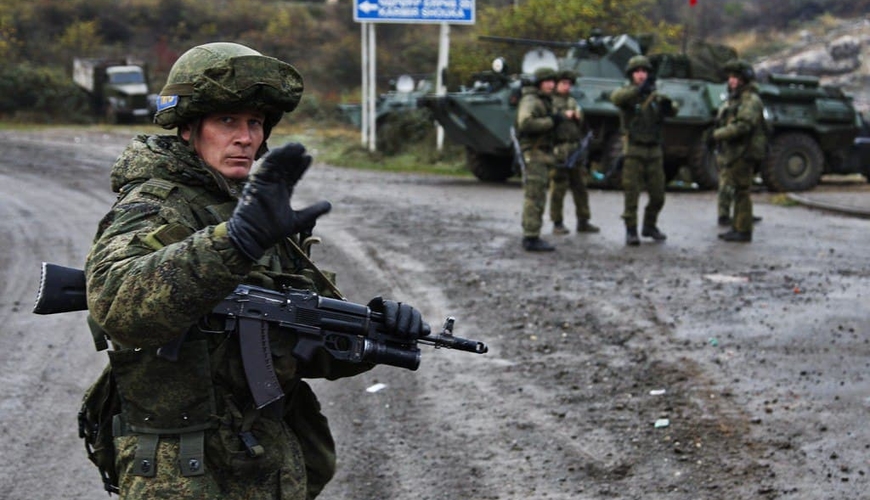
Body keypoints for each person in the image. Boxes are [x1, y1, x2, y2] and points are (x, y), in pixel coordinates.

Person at [82, 42, 427, 499]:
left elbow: (296, 346)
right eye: (228, 121)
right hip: (180, 472)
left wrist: (371, 333)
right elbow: (117, 301)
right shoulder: (154, 205)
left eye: (255, 123)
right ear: (189, 126)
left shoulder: (248, 210)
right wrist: (237, 241)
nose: (246, 137)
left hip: (261, 457)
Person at [610, 55, 678, 246]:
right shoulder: (627, 93)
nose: (641, 75)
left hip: (654, 151)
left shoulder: (654, 95)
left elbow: (673, 109)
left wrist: (667, 106)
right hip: (634, 150)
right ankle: (631, 230)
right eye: (637, 72)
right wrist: (638, 90)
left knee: (658, 195)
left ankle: (650, 225)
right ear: (631, 74)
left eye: (644, 72)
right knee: (632, 194)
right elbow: (616, 98)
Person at [711, 59, 767, 242]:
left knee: (742, 191)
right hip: (734, 151)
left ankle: (743, 230)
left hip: (744, 151)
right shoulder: (735, 99)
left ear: (744, 79)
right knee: (736, 190)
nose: (732, 81)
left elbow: (743, 125)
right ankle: (738, 226)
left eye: (736, 77)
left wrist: (718, 135)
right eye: (730, 77)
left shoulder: (750, 100)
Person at [515, 67, 562, 252]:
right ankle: (531, 236)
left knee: (539, 194)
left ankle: (532, 233)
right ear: (539, 83)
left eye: (553, 81)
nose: (551, 85)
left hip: (542, 153)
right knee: (534, 195)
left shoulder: (544, 101)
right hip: (534, 153)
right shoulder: (531, 100)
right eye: (547, 81)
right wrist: (551, 121)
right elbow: (525, 122)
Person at [548, 70, 599, 235]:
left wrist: (578, 115)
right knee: (558, 187)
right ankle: (557, 222)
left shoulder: (572, 101)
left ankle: (583, 220)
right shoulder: (551, 102)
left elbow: (582, 121)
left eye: (569, 84)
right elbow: (548, 119)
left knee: (580, 186)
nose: (566, 86)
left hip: (575, 148)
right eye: (563, 83)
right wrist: (563, 115)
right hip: (560, 148)